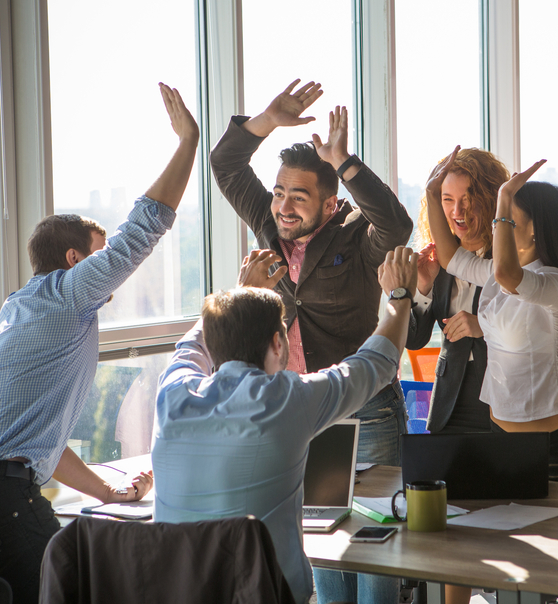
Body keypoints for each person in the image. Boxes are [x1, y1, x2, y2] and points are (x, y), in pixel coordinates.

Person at [0, 82, 199, 603]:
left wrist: (109, 492)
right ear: (75, 261)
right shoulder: (69, 295)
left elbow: (34, 447)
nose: (107, 272)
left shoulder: (19, 310)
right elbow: (142, 230)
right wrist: (188, 145)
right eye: (98, 257)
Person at [210, 79, 412, 603]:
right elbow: (227, 164)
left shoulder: (352, 233)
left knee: (374, 546)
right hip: (301, 408)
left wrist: (346, 162)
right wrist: (267, 120)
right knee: (322, 541)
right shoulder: (267, 225)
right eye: (279, 193)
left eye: (298, 197)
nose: (282, 206)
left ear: (329, 204)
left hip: (365, 409)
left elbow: (396, 226)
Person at [151, 246, 418, 604]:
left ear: (213, 348)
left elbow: (189, 346)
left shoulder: (172, 392)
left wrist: (237, 294)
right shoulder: (284, 399)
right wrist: (399, 296)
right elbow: (375, 364)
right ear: (279, 344)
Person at [426, 149, 558, 603]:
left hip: (551, 453)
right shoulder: (499, 274)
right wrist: (433, 191)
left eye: (507, 219)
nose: (495, 226)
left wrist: (504, 195)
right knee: (483, 561)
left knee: (544, 577)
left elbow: (506, 274)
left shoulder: (554, 281)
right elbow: (450, 257)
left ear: (532, 227)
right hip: (500, 442)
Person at [408, 149, 510, 433]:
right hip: (449, 403)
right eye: (448, 200)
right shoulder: (435, 259)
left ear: (491, 200)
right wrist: (422, 288)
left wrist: (483, 326)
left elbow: (530, 325)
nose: (457, 212)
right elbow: (414, 341)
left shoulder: (509, 259)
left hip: (502, 397)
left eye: (467, 200)